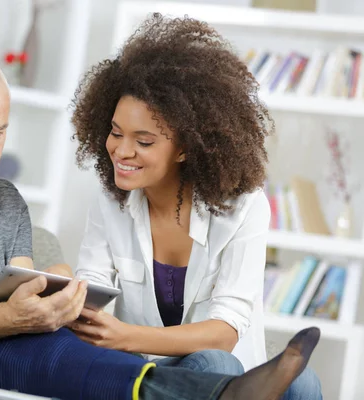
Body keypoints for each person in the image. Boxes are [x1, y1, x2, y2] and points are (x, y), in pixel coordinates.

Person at [0, 51, 319, 400]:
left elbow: (19, 294)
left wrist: (55, 295)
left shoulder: (2, 199)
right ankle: (216, 395)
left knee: (52, 346)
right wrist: (16, 323)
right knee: (43, 353)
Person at [69, 14, 322, 400]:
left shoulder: (243, 208)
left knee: (304, 383)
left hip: (233, 364)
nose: (121, 151)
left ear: (186, 146)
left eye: (145, 141)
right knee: (214, 365)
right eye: (116, 133)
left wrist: (125, 335)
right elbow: (92, 293)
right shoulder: (110, 201)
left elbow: (225, 331)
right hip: (148, 371)